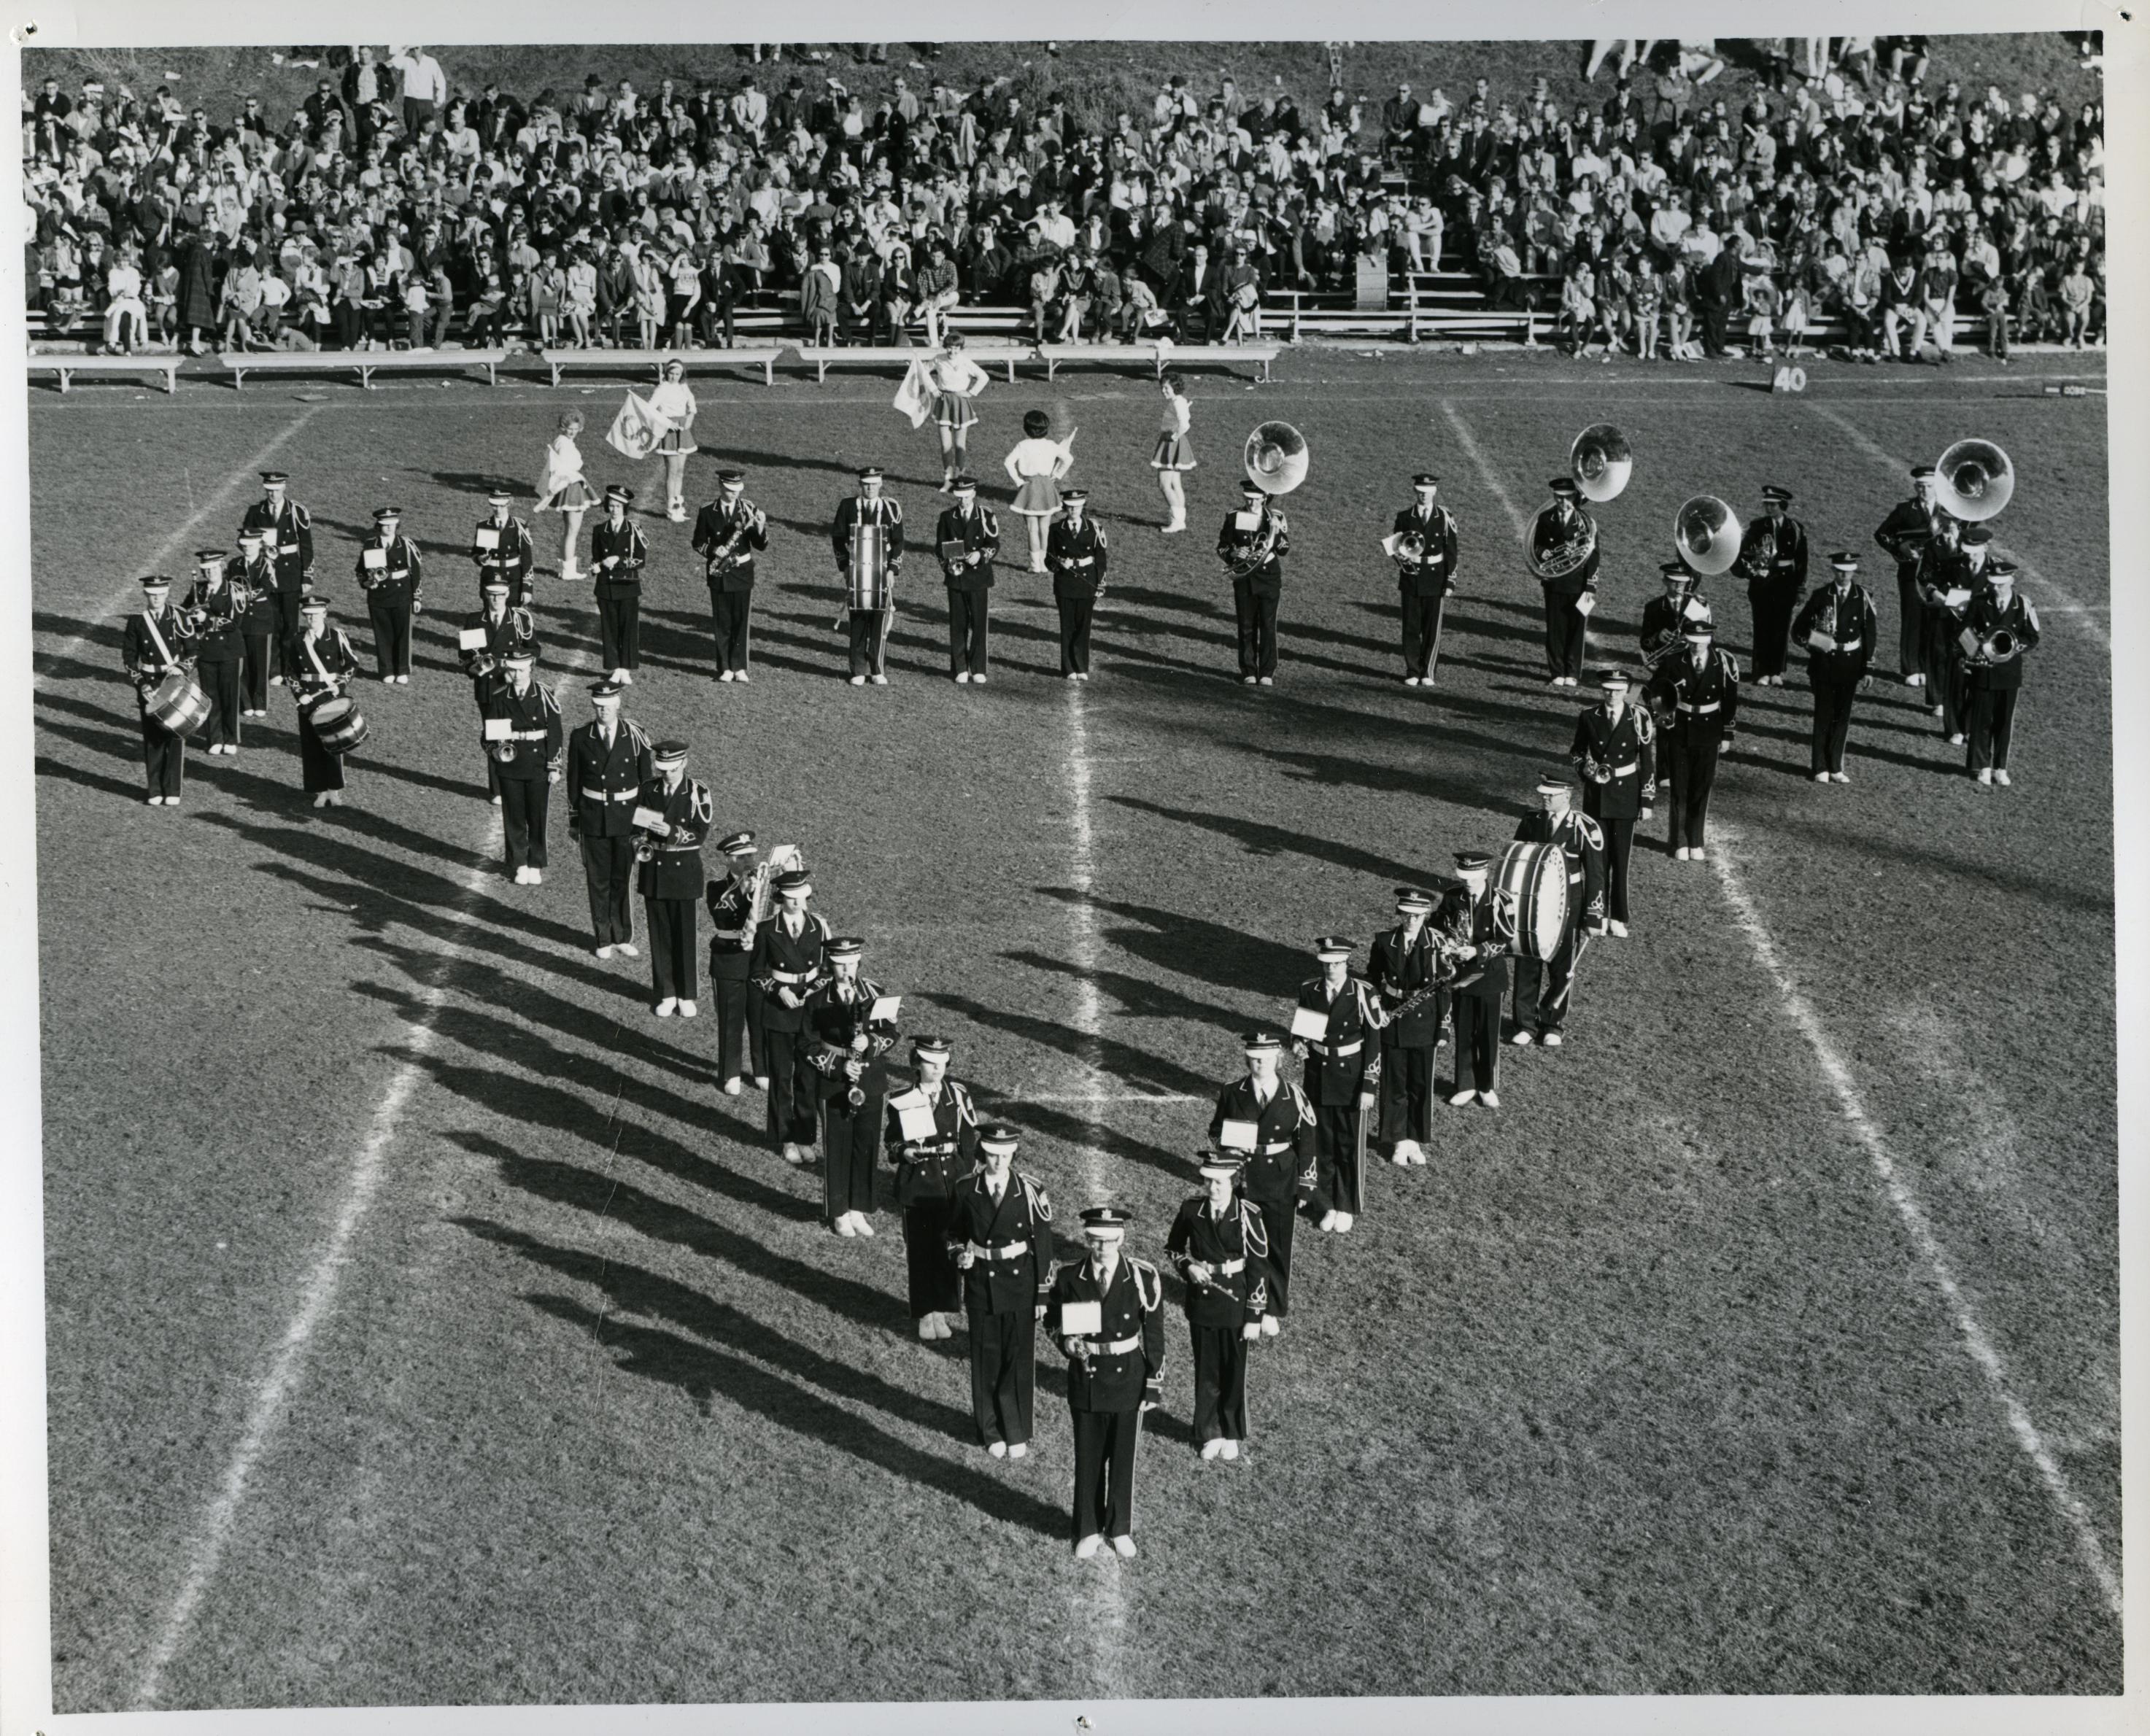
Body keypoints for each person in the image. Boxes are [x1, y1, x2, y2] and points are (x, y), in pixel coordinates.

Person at [1048, 1205, 1165, 1558]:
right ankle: (1087, 1528)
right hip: (1086, 1376)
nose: (1103, 1248)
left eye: (1111, 1241)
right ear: (1087, 1239)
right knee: (1089, 1455)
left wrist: (1153, 1384)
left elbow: (1155, 1335)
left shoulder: (1143, 1278)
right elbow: (1053, 1319)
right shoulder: (1070, 1277)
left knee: (1123, 1456)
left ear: (1122, 1239)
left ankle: (1119, 1528)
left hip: (1128, 1376)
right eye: (1097, 1241)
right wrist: (1065, 1342)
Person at [948, 1125, 1054, 1458]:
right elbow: (951, 1233)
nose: (998, 1161)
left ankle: (1017, 1428)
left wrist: (1041, 1294)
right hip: (982, 1283)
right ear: (983, 1152)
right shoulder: (967, 1189)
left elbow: (1044, 1243)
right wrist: (958, 1254)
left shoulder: (1031, 1191)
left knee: (1018, 1358)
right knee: (985, 1358)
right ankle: (990, 1430)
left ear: (1013, 1155)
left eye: (1005, 1156)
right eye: (993, 1154)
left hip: (1020, 1284)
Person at [1206, 1031, 1314, 1333]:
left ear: (1277, 1059)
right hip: (1245, 1179)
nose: (1260, 1064)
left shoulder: (1294, 1094)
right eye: (1254, 1058)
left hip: (1281, 1178)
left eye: (1266, 1058)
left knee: (1278, 1246)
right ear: (1247, 1060)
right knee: (1245, 1245)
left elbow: (1306, 1140)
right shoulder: (1232, 1091)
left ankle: (1273, 1309)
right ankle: (1250, 1302)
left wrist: (1305, 1184)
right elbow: (1215, 1129)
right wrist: (1228, 1148)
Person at [1166, 1155, 1269, 1462]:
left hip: (1236, 1302)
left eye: (1220, 1182)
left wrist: (1254, 1316)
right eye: (1208, 1181)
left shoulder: (1249, 1214)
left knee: (1234, 1372)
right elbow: (1173, 1249)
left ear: (1233, 1183)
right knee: (1207, 1370)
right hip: (1203, 1303)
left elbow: (1260, 1267)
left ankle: (1232, 1432)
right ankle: (1210, 1432)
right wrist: (1188, 1269)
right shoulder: (1190, 1210)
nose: (1213, 1188)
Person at [885, 1036, 981, 1340]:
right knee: (922, 1250)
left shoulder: (958, 1093)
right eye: (930, 1063)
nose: (938, 1069)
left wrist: (967, 1175)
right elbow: (892, 1140)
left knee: (949, 1247)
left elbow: (967, 1136)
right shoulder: (902, 1097)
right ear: (917, 1063)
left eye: (942, 1063)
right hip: (919, 1184)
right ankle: (926, 1313)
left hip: (951, 1182)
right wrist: (904, 1153)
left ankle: (943, 1309)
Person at [807, 937, 900, 1238]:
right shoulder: (817, 998)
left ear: (859, 962)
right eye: (839, 964)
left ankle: (858, 1209)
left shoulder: (876, 994)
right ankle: (838, 1212)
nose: (846, 969)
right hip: (834, 1082)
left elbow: (890, 1033)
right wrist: (837, 1066)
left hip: (870, 1080)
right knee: (837, 1146)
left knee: (866, 1145)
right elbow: (806, 1045)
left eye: (851, 963)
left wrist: (870, 1043)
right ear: (830, 964)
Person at [1509, 776, 1606, 1049]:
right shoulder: (1531, 821)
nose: (1545, 798)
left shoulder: (1584, 827)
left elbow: (1596, 873)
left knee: (1562, 967)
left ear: (1567, 796)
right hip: (1533, 904)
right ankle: (1525, 1024)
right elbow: (1518, 859)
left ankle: (1553, 1023)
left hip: (1568, 905)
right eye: (1544, 794)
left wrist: (1594, 916)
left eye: (1551, 795)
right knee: (1527, 960)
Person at [1291, 935, 1377, 1233]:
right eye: (1327, 963)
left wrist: (1369, 1085)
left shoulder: (1363, 992)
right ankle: (1327, 1203)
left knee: (1349, 1145)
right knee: (1322, 1143)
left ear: (1346, 963)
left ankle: (1347, 1205)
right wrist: (1299, 1043)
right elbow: (1304, 1028)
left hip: (1351, 1078)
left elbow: (1375, 1042)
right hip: (1318, 1075)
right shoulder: (1310, 989)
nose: (1331, 969)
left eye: (1337, 963)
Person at [565, 680, 653, 959]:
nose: (604, 710)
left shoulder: (636, 735)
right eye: (599, 706)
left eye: (609, 705)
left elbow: (647, 783)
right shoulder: (581, 736)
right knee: (598, 880)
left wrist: (645, 825)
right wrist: (576, 819)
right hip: (594, 819)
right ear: (593, 705)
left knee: (621, 879)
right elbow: (574, 781)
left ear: (618, 704)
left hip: (626, 818)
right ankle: (603, 938)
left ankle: (623, 936)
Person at [752, 868, 832, 1163]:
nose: (797, 903)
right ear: (780, 898)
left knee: (808, 1079)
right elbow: (757, 973)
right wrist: (777, 990)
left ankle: (805, 1137)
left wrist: (810, 991)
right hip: (779, 1011)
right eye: (790, 898)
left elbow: (826, 969)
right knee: (782, 1078)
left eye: (801, 897)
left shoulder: (818, 927)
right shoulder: (766, 930)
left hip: (809, 1010)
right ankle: (785, 1138)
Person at [630, 739, 712, 1018]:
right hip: (655, 868)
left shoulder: (697, 792)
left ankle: (687, 994)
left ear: (684, 763)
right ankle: (666, 992)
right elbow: (636, 825)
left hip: (683, 871)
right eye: (663, 768)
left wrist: (671, 832)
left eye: (672, 768)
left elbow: (700, 832)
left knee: (684, 936)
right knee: (659, 935)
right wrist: (638, 840)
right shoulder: (648, 789)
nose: (667, 773)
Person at [1644, 621, 1741, 861]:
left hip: (1710, 731)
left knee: (1701, 787)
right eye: (1692, 642)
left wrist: (1727, 734)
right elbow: (1653, 690)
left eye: (1701, 643)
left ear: (1709, 641)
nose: (1696, 647)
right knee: (1680, 788)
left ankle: (1696, 840)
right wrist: (1659, 716)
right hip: (1680, 730)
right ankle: (1679, 841)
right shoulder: (1674, 661)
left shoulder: (1723, 662)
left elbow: (1730, 699)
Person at [1570, 673, 1655, 937]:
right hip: (1597, 795)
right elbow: (1576, 751)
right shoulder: (1588, 715)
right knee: (1597, 860)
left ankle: (1618, 916)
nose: (1612, 695)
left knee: (1620, 860)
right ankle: (1598, 913)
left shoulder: (1639, 716)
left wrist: (1647, 799)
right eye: (1608, 690)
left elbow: (1647, 760)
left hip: (1626, 795)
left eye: (1618, 691)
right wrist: (1585, 768)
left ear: (1626, 691)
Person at [1368, 888, 1446, 1165]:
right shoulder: (1384, 941)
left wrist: (1443, 1029)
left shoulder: (1438, 943)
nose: (1411, 920)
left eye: (1417, 915)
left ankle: (1415, 1139)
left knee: (1420, 1085)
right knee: (1394, 1084)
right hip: (1392, 1019)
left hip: (1424, 1022)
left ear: (1425, 915)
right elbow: (1371, 979)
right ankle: (1398, 1140)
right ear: (1399, 914)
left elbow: (1444, 988)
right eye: (1406, 915)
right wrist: (1376, 1007)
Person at [1791, 552, 1879, 784]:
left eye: (1848, 571)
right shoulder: (1821, 596)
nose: (1843, 575)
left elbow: (1869, 633)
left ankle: (1835, 766)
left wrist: (1868, 667)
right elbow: (1798, 630)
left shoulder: (1863, 597)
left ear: (1854, 572)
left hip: (1850, 663)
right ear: (1833, 571)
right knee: (1824, 715)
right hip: (1825, 664)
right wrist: (1817, 645)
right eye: (1839, 571)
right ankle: (1819, 766)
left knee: (1842, 717)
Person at [481, 648, 565, 885]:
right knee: (514, 816)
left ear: (531, 669)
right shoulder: (500, 697)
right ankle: (520, 863)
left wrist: (554, 765)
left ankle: (536, 862)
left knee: (537, 816)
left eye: (522, 670)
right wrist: (495, 751)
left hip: (538, 763)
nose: (517, 674)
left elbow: (556, 732)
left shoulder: (545, 695)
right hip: (511, 765)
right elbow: (487, 736)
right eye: (513, 670)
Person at [1960, 558, 2041, 786]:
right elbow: (1962, 630)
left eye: (2001, 584)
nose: (1996, 588)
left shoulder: (2022, 605)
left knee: (2004, 722)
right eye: (1993, 583)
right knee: (1981, 721)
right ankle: (1983, 766)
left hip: (2009, 672)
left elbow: (2033, 636)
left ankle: (2000, 767)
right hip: (1983, 671)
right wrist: (1975, 651)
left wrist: (2013, 647)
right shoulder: (1979, 602)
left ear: (2011, 581)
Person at [459, 578, 538, 804]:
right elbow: (464, 658)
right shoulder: (474, 620)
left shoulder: (520, 619)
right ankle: (498, 789)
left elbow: (534, 650)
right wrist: (475, 666)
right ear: (485, 595)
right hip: (488, 689)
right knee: (495, 736)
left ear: (507, 595)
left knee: (518, 735)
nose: (496, 599)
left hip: (513, 686)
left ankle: (517, 783)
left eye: (500, 595)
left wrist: (510, 664)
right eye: (491, 595)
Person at [122, 574, 196, 805]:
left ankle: (172, 790)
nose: (156, 598)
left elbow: (193, 649)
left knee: (174, 735)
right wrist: (141, 684)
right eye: (152, 594)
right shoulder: (137, 621)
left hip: (173, 681)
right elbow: (129, 657)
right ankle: (155, 790)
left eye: (160, 594)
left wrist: (182, 668)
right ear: (146, 594)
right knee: (153, 738)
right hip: (149, 683)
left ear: (166, 594)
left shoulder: (177, 617)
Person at [1442, 851, 1507, 1109]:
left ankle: (1486, 1085)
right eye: (1464, 876)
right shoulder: (1451, 896)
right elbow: (1440, 924)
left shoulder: (1500, 900)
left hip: (1489, 976)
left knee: (1488, 1034)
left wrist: (1478, 951)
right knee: (1464, 1031)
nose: (1467, 881)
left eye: (1473, 876)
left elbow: (1505, 938)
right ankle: (1465, 1084)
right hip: (1461, 976)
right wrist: (1448, 942)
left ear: (1485, 874)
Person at [691, 469, 769, 683]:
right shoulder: (708, 511)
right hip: (719, 573)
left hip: (742, 573)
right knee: (722, 622)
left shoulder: (748, 509)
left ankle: (740, 666)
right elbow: (697, 542)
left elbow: (760, 545)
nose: (734, 494)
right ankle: (725, 666)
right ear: (721, 487)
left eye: (737, 490)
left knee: (741, 622)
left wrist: (760, 526)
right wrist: (713, 550)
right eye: (730, 490)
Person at [704, 832, 766, 1092]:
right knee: (731, 1019)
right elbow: (720, 912)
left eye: (751, 855)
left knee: (760, 1016)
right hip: (729, 958)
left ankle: (762, 1069)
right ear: (730, 860)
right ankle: (731, 1073)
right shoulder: (717, 887)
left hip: (758, 958)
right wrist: (742, 888)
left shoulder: (765, 884)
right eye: (742, 857)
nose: (748, 861)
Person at [832, 467, 905, 686]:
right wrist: (845, 566)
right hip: (857, 572)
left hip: (882, 573)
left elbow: (899, 541)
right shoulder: (847, 506)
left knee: (879, 622)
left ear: (881, 483)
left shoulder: (891, 508)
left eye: (874, 483)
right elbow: (837, 538)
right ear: (860, 485)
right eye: (866, 484)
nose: (870, 487)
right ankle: (857, 670)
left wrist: (892, 569)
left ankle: (877, 668)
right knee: (858, 621)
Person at [238, 470, 313, 684]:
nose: (273, 494)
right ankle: (274, 670)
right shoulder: (255, 511)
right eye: (269, 490)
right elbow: (242, 539)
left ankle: (289, 669)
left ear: (284, 488)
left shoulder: (297, 511)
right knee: (271, 623)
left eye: (277, 490)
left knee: (290, 624)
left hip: (290, 574)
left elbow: (306, 545)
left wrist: (307, 576)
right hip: (265, 573)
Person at [286, 594, 360, 809]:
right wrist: (300, 694)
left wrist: (340, 683)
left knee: (333, 744)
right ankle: (319, 791)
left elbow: (352, 663)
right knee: (311, 746)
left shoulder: (336, 636)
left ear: (325, 614)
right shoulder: (298, 640)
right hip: (309, 698)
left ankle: (334, 790)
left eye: (315, 614)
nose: (311, 619)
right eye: (307, 615)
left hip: (331, 697)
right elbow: (291, 672)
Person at [1218, 478, 1290, 686]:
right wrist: (1234, 553)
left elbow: (1284, 550)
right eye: (1247, 499)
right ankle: (1248, 670)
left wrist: (1277, 534)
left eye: (1255, 500)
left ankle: (1267, 672)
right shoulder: (1234, 517)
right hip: (1245, 577)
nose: (1250, 504)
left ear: (1264, 498)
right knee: (1246, 625)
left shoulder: (1275, 517)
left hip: (1268, 578)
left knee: (1268, 625)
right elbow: (1221, 547)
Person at [1873, 465, 1938, 688]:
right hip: (1911, 571)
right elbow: (1882, 534)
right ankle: (1911, 668)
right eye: (1920, 487)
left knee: (1933, 620)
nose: (1924, 491)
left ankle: (1927, 666)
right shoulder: (1905, 509)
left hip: (1938, 575)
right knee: (1912, 616)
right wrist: (1900, 548)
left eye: (1928, 486)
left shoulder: (1949, 509)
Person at [1390, 473, 1458, 686]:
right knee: (1411, 627)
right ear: (1415, 492)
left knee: (1431, 628)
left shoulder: (1445, 517)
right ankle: (1412, 670)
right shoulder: (1404, 517)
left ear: (1434, 492)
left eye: (1427, 492)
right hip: (1411, 577)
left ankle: (1428, 670)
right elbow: (1395, 547)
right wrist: (1403, 562)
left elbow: (1451, 551)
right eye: (1420, 492)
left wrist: (1449, 581)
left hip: (1435, 578)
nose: (1424, 496)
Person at [1738, 484, 1809, 686]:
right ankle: (1761, 671)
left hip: (1786, 583)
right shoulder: (1757, 526)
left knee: (1781, 627)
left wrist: (1800, 588)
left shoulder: (1795, 528)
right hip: (1762, 583)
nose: (1769, 508)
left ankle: (1776, 671)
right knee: (1762, 627)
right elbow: (1744, 553)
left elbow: (1802, 561)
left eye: (1773, 505)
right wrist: (1753, 571)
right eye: (1767, 504)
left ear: (1782, 505)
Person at [1534, 477, 1598, 688]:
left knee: (1576, 629)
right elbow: (1537, 546)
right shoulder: (1545, 518)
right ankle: (1556, 671)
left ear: (1575, 497)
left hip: (1578, 583)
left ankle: (1572, 671)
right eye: (1559, 498)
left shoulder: (1585, 521)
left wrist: (1590, 586)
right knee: (1555, 629)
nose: (1563, 502)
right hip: (1554, 581)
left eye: (1568, 498)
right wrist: (1544, 553)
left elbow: (1594, 555)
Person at [179, 549, 244, 757]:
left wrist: (206, 619)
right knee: (210, 696)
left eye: (214, 569)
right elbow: (183, 611)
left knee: (229, 696)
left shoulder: (234, 589)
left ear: (222, 568)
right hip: (205, 651)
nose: (210, 573)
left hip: (228, 651)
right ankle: (214, 739)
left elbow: (234, 623)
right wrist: (188, 616)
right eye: (206, 570)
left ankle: (230, 738)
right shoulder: (197, 589)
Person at [936, 473, 1000, 684]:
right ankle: (960, 668)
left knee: (979, 624)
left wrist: (980, 555)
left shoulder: (985, 516)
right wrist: (949, 565)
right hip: (957, 578)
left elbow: (994, 544)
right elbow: (939, 547)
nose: (962, 500)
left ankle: (978, 667)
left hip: (979, 577)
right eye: (959, 496)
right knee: (958, 624)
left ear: (973, 494)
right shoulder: (947, 517)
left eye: (966, 496)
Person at [355, 505, 422, 685]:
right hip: (378, 595)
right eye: (385, 525)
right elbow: (360, 570)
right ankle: (386, 670)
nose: (389, 528)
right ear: (379, 526)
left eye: (392, 524)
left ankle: (402, 669)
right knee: (382, 633)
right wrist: (367, 583)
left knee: (402, 633)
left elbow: (416, 570)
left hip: (402, 593)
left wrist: (417, 596)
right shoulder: (370, 545)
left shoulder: (406, 544)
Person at [589, 484, 649, 685]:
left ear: (625, 508)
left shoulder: (634, 530)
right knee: (610, 628)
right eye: (612, 505)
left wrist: (619, 561)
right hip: (606, 587)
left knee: (628, 628)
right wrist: (595, 567)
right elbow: (595, 556)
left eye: (618, 506)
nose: (614, 510)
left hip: (627, 586)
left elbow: (641, 560)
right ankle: (615, 667)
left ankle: (626, 667)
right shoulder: (599, 530)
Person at [1048, 488, 1109, 681]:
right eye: (1070, 507)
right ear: (1065, 507)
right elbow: (1048, 558)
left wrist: (1100, 584)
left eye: (1078, 507)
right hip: (1065, 583)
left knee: (1084, 626)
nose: (1074, 510)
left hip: (1086, 581)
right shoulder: (1056, 529)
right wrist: (1059, 564)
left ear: (1083, 506)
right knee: (1067, 626)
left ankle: (1081, 666)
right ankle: (1068, 668)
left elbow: (1101, 559)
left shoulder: (1094, 529)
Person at [1002, 409, 1072, 574]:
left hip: (1030, 487)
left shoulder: (1023, 445)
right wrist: (1056, 475)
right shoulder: (1051, 445)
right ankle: (1044, 564)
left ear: (1026, 428)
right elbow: (1069, 459)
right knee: (1045, 529)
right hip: (1047, 487)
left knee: (1032, 529)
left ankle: (1035, 565)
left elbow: (1008, 463)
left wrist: (1019, 481)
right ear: (1046, 428)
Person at [534, 411, 599, 581]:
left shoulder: (561, 440)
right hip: (571, 487)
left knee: (569, 531)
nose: (572, 431)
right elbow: (562, 468)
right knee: (572, 531)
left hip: (569, 486)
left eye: (576, 428)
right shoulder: (564, 443)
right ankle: (569, 570)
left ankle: (566, 568)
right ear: (563, 428)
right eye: (569, 428)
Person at [924, 332, 989, 489]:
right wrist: (933, 389)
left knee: (960, 445)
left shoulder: (965, 361)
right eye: (950, 348)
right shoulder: (938, 359)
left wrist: (971, 393)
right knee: (945, 446)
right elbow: (922, 371)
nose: (952, 351)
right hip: (943, 402)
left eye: (956, 348)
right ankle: (947, 479)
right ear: (945, 347)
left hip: (960, 403)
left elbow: (983, 377)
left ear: (961, 348)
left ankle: (960, 478)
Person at [647, 357, 699, 522]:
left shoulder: (683, 387)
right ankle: (671, 508)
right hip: (669, 430)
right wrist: (667, 423)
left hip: (682, 429)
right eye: (671, 373)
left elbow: (692, 404)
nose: (674, 377)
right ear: (666, 373)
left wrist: (690, 417)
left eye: (678, 374)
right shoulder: (662, 388)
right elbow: (650, 409)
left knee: (680, 471)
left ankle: (679, 506)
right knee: (672, 469)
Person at [235, 527, 279, 719]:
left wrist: (244, 595)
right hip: (240, 620)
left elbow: (267, 588)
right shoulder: (234, 564)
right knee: (242, 664)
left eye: (251, 546)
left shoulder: (266, 564)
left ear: (259, 545)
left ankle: (259, 701)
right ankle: (245, 702)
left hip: (260, 620)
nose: (247, 549)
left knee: (260, 665)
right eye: (244, 545)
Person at [470, 487, 536, 611]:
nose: (498, 509)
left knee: (512, 615)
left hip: (513, 578)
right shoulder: (484, 525)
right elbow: (475, 552)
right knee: (489, 612)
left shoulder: (519, 526)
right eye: (494, 506)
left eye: (502, 506)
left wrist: (527, 589)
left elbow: (527, 558)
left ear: (509, 504)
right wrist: (480, 558)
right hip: (490, 575)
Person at [1639, 562, 1713, 670]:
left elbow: (1710, 636)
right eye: (1674, 583)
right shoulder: (1653, 607)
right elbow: (1645, 643)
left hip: (1692, 659)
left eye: (1682, 583)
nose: (1679, 587)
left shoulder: (1698, 604)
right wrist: (1658, 637)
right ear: (1665, 582)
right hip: (1666, 663)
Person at [1152, 371, 1194, 534]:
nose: (1163, 391)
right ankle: (1180, 520)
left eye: (1166, 388)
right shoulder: (1180, 401)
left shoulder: (1178, 403)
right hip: (1174, 442)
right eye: (1162, 388)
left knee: (1164, 484)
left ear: (1175, 387)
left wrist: (1175, 436)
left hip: (1172, 443)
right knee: (1176, 484)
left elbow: (1185, 425)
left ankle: (1177, 521)